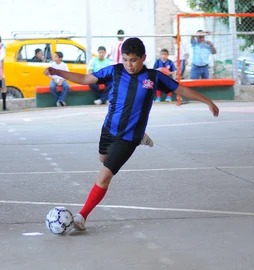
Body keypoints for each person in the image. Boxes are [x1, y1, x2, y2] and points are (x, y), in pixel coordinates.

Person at [43, 37, 219, 231]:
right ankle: (141, 135)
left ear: (143, 57)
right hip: (108, 129)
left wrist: (207, 101)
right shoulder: (115, 70)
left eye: (133, 60)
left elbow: (181, 89)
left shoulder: (153, 77)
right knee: (103, 159)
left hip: (128, 138)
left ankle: (82, 216)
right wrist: (57, 71)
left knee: (104, 177)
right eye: (126, 59)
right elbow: (86, 79)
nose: (129, 64)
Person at [0, 36, 6, 111]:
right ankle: (4, 107)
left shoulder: (1, 47)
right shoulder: (2, 48)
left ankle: (4, 106)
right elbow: (2, 61)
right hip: (0, 71)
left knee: (3, 87)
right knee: (3, 88)